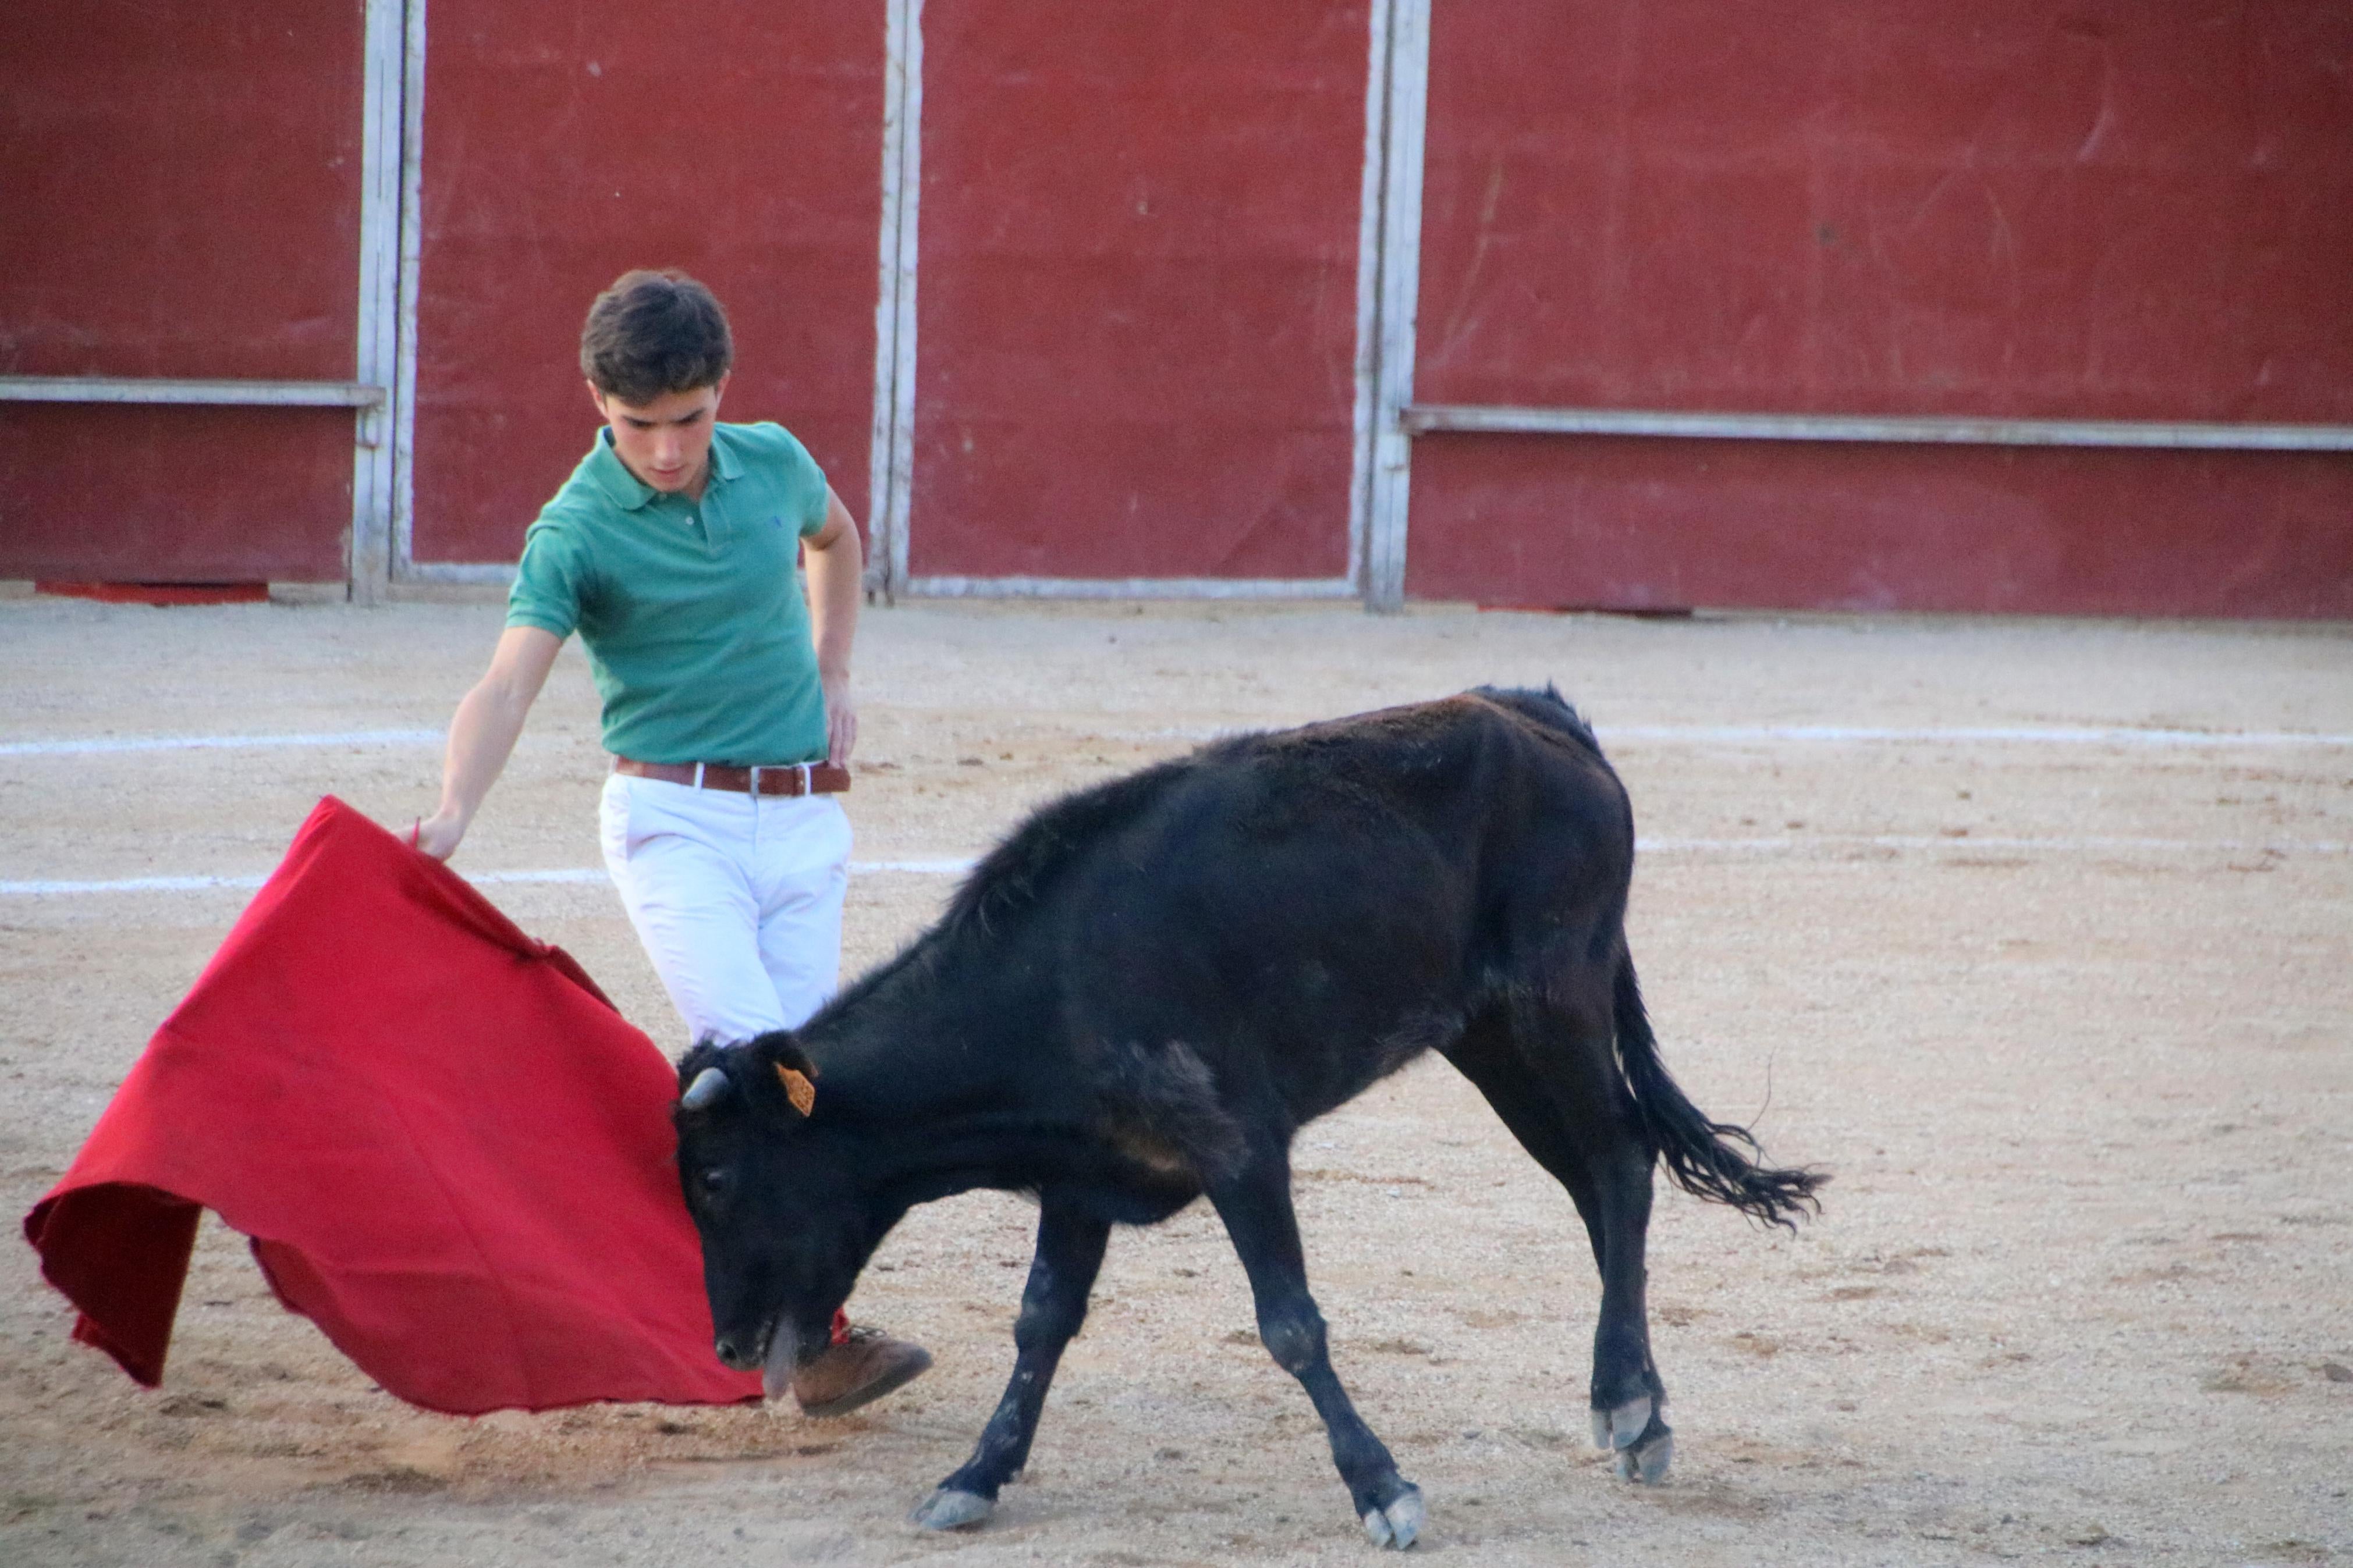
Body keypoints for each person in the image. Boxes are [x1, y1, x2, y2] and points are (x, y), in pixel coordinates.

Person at [415, 268, 930, 1417]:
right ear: (597, 400)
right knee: (757, 1074)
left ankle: (784, 1328)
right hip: (675, 823)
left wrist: (835, 661)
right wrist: (455, 806)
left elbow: (836, 538)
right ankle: (805, 1337)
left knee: (804, 1096)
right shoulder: (577, 530)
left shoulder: (774, 462)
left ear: (722, 392)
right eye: (637, 423)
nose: (663, 449)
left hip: (805, 822)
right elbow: (508, 684)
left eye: (687, 419)